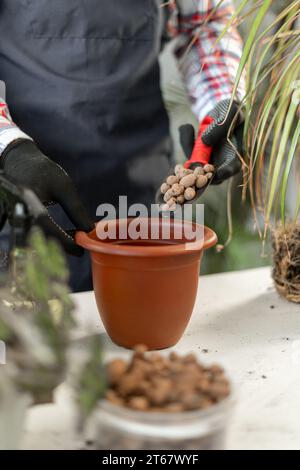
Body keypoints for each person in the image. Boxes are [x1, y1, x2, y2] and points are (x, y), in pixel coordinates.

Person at [0, 0, 245, 292]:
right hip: (22, 190)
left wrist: (220, 104)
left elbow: (205, 24)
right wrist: (9, 148)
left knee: (144, 318)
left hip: (138, 191)